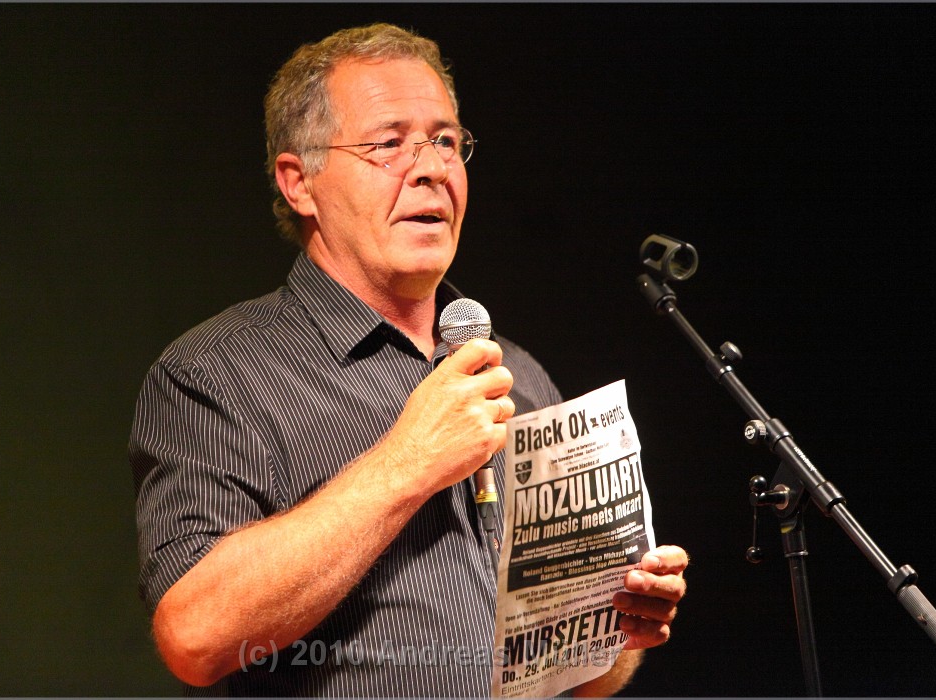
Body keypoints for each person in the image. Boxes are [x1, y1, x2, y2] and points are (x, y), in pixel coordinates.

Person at [130, 23, 688, 697]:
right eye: (388, 144)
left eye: (446, 142)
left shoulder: (517, 375)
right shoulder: (217, 373)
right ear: (300, 182)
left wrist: (615, 630)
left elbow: (570, 684)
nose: (431, 169)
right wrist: (408, 463)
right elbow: (195, 636)